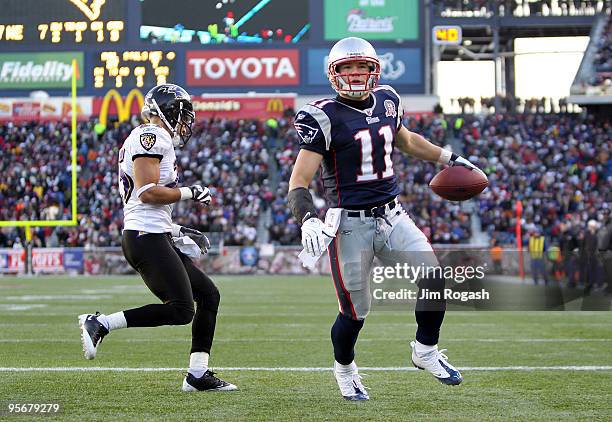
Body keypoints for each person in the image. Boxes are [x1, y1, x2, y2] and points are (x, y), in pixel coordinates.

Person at [288, 37, 483, 400]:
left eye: (362, 66)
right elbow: (299, 181)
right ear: (334, 73)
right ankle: (344, 370)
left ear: (375, 70)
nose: (356, 74)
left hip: (392, 215)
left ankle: (425, 351)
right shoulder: (321, 115)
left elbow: (407, 141)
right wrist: (308, 219)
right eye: (347, 67)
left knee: (434, 277)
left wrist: (450, 158)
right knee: (355, 312)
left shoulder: (389, 100)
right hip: (349, 224)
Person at [78, 84, 236, 392]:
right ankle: (101, 323)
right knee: (181, 309)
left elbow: (144, 201)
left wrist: (177, 230)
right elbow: (146, 193)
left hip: (153, 233)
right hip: (144, 236)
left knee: (209, 295)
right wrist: (191, 192)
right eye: (182, 114)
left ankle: (197, 374)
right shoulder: (150, 135)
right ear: (167, 110)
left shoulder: (156, 138)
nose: (186, 121)